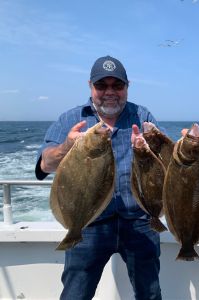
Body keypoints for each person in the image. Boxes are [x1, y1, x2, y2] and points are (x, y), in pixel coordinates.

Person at [35, 55, 162, 300]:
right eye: (102, 85)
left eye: (117, 85)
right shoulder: (71, 119)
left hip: (139, 222)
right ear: (90, 87)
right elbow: (45, 164)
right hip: (87, 224)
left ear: (127, 87)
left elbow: (167, 162)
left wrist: (154, 144)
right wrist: (65, 148)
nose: (110, 92)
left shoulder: (142, 116)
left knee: (150, 293)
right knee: (75, 294)